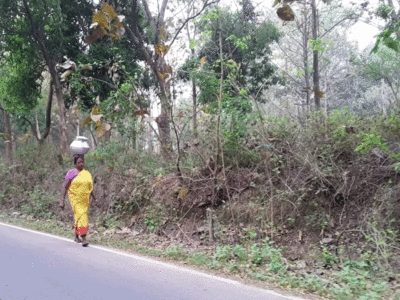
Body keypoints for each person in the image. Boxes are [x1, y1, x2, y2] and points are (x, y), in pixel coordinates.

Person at [60, 154, 97, 247]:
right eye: (79, 162)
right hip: (75, 199)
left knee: (79, 216)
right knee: (82, 216)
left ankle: (76, 236)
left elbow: (90, 188)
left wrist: (95, 198)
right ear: (75, 163)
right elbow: (65, 187)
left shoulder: (87, 174)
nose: (81, 164)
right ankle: (84, 237)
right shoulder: (72, 173)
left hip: (85, 200)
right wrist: (62, 200)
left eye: (82, 162)